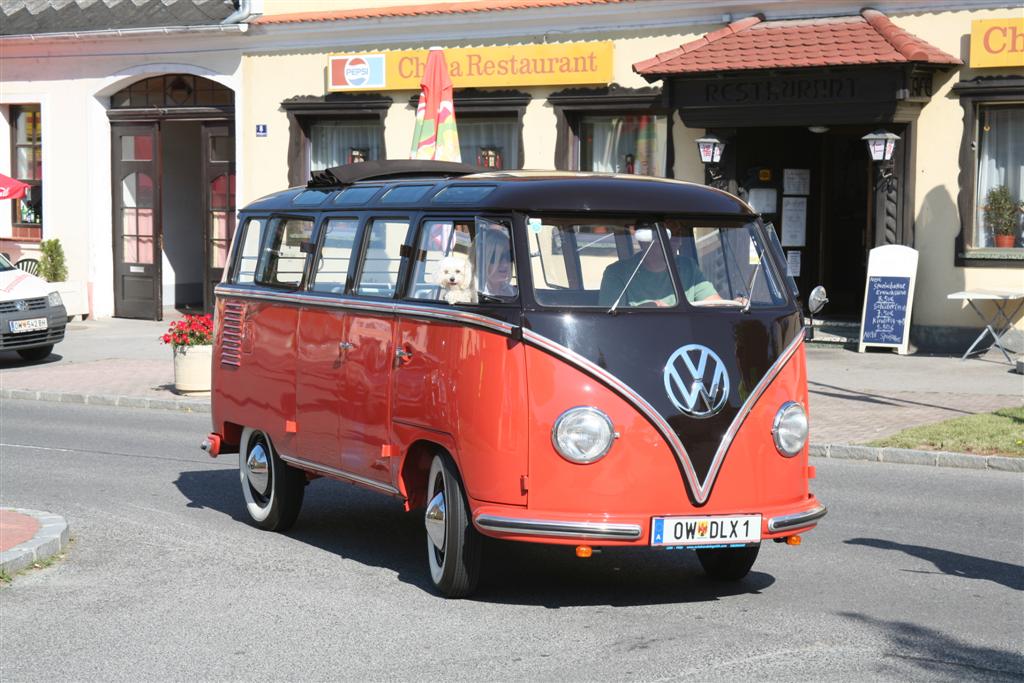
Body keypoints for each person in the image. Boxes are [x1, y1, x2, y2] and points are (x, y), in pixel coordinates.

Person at [598, 230, 721, 308]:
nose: (676, 241)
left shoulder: (688, 266)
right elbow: (609, 322)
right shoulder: (617, 272)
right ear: (644, 242)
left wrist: (735, 306)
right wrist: (647, 309)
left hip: (686, 341)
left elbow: (713, 304)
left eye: (678, 234)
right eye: (667, 234)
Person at [479, 229, 517, 298]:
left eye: (508, 256)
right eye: (498, 257)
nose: (505, 264)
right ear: (484, 259)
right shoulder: (474, 296)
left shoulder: (514, 293)